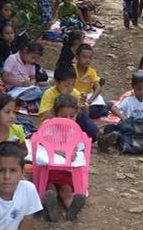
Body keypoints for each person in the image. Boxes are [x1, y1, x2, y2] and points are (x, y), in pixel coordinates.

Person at [38, 65, 113, 145]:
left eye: (73, 85)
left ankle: (100, 137)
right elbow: (44, 117)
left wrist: (84, 106)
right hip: (55, 125)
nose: (70, 88)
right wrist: (56, 109)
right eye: (66, 85)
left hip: (71, 125)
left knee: (82, 115)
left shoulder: (74, 93)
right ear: (56, 83)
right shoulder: (49, 94)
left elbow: (85, 114)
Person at [41, 94, 88, 222]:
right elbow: (42, 141)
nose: (68, 119)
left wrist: (74, 152)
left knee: (66, 190)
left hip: (66, 172)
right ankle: (53, 210)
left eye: (72, 116)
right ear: (55, 114)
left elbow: (79, 147)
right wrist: (59, 150)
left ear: (76, 114)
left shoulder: (76, 130)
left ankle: (71, 209)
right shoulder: (48, 126)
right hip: (49, 170)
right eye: (63, 115)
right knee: (50, 189)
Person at [2, 41, 46, 107]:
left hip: (28, 88)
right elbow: (5, 77)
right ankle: (19, 100)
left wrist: (32, 82)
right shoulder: (12, 59)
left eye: (36, 59)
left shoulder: (31, 63)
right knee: (38, 92)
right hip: (15, 88)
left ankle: (26, 101)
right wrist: (21, 84)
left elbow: (33, 77)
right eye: (33, 57)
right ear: (25, 51)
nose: (33, 61)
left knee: (47, 89)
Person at [74, 44, 110, 119]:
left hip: (86, 97)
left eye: (90, 58)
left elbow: (98, 88)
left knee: (93, 109)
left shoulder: (91, 72)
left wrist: (89, 101)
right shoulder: (71, 69)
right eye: (84, 57)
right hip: (73, 96)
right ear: (77, 57)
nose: (87, 60)